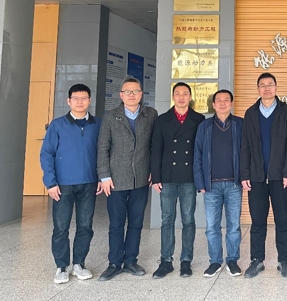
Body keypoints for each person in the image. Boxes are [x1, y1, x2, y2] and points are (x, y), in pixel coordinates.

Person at [40, 84, 102, 284]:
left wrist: (102, 177)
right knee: (61, 227)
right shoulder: (57, 125)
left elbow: (104, 153)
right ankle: (61, 266)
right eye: (76, 98)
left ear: (89, 100)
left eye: (84, 98)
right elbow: (47, 154)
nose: (80, 102)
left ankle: (79, 264)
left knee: (85, 226)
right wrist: (50, 182)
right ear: (68, 101)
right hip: (62, 185)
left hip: (89, 183)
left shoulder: (98, 124)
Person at [97, 77, 158, 281]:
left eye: (135, 91)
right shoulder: (110, 116)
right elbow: (103, 148)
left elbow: (155, 145)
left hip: (141, 177)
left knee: (136, 222)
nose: (131, 95)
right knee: (116, 223)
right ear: (121, 95)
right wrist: (104, 176)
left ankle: (131, 260)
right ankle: (114, 263)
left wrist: (154, 170)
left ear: (141, 94)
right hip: (115, 179)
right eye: (127, 91)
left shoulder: (150, 114)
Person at [240, 73, 287, 278]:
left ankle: (284, 261)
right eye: (262, 85)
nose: (266, 88)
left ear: (276, 87)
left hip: (280, 177)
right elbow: (245, 146)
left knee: (282, 220)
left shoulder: (286, 112)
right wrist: (244, 173)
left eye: (270, 85)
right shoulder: (250, 113)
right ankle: (257, 260)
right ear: (258, 89)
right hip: (256, 177)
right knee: (257, 221)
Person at [150, 82, 205, 279]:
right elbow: (156, 149)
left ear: (190, 97)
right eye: (178, 94)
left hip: (188, 177)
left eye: (185, 94)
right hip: (167, 177)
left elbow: (201, 151)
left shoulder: (199, 119)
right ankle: (166, 261)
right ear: (173, 97)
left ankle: (186, 260)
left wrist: (200, 178)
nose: (181, 97)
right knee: (167, 219)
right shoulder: (162, 119)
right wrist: (156, 177)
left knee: (188, 219)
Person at [194, 90, 244, 277]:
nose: (222, 103)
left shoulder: (240, 124)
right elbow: (197, 154)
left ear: (232, 103)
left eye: (226, 100)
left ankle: (232, 260)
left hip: (234, 184)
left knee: (234, 226)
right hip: (211, 185)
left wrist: (245, 177)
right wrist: (200, 181)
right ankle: (215, 261)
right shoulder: (204, 126)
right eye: (219, 101)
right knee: (212, 227)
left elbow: (247, 152)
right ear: (213, 105)